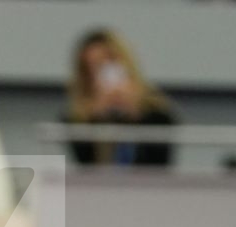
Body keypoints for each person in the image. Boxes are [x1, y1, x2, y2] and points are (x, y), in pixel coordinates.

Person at [64, 28, 177, 167]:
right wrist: (98, 120)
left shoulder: (159, 116)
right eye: (92, 69)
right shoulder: (75, 122)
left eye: (106, 65)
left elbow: (159, 167)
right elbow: (87, 167)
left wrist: (135, 117)